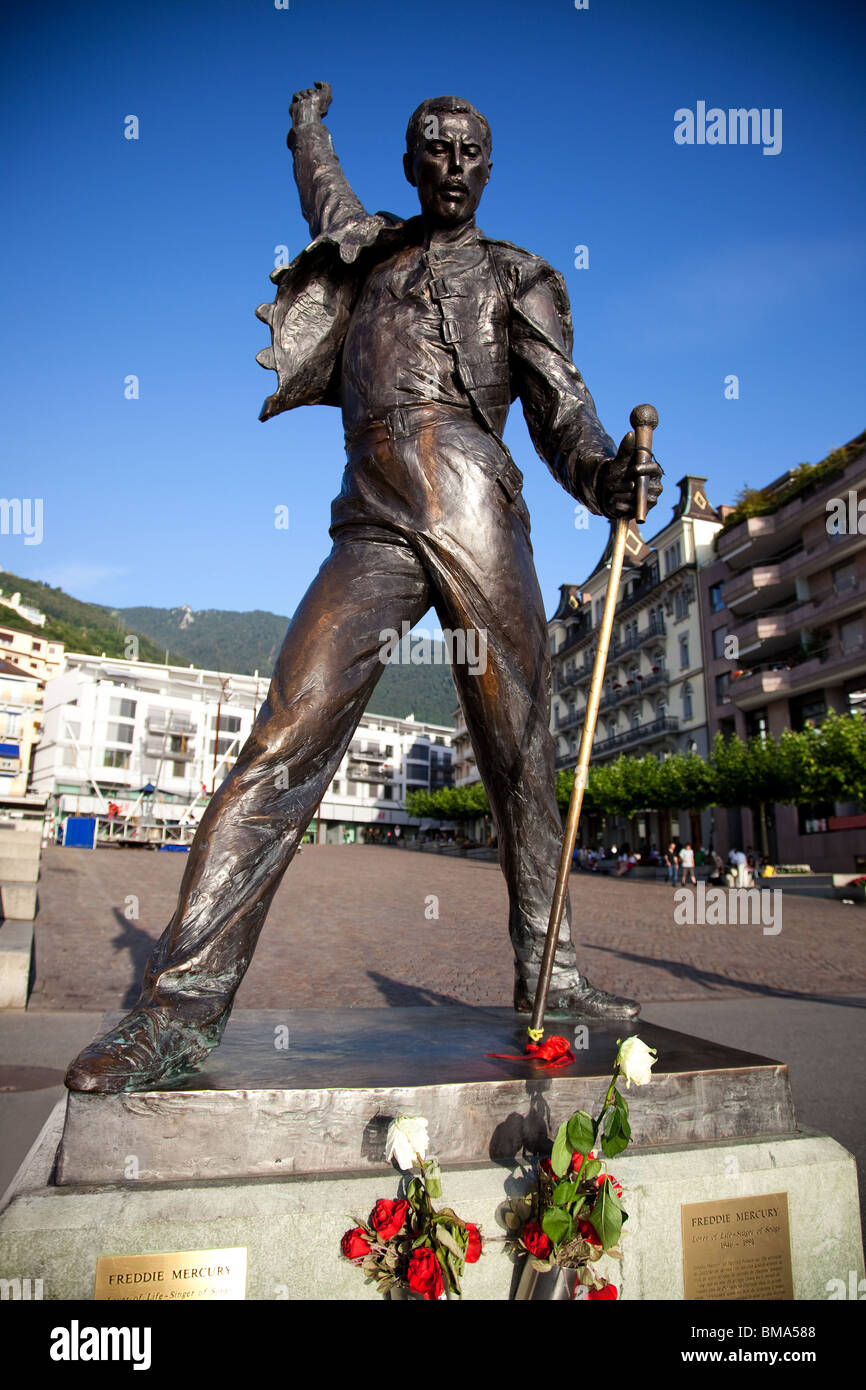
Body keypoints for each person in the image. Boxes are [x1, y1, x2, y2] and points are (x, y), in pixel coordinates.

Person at [65, 84, 662, 1093]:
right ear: (410, 165)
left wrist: (607, 475)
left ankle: (551, 979)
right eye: (435, 149)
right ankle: (175, 1012)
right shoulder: (368, 248)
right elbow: (320, 193)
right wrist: (306, 128)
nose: (454, 164)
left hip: (477, 505)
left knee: (521, 758)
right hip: (373, 514)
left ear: (488, 164)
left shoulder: (522, 275)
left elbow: (566, 411)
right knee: (281, 735)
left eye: (472, 150)